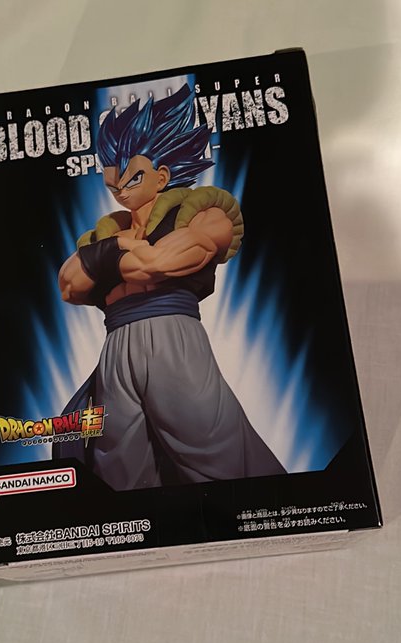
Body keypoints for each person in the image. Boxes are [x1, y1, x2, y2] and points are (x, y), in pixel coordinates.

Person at [53, 84, 285, 490]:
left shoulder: (203, 212)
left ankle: (267, 509)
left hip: (173, 339)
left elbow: (158, 264)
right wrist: (116, 248)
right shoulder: (106, 234)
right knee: (119, 466)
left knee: (214, 450)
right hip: (116, 350)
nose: (120, 187)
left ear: (161, 176)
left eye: (131, 175)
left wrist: (107, 259)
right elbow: (69, 287)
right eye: (112, 179)